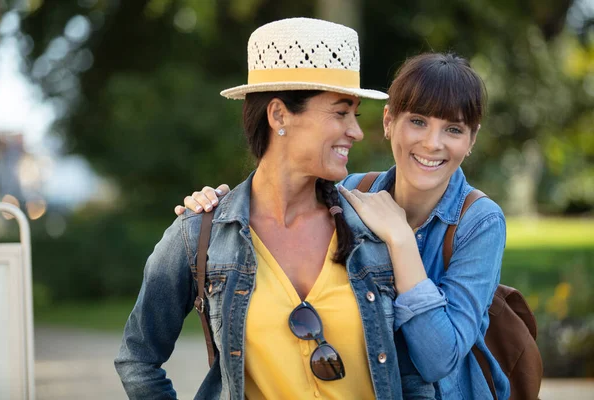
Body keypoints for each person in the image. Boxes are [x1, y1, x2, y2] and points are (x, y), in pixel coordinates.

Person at [115, 17, 436, 400]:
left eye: (356, 114)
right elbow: (138, 359)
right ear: (279, 115)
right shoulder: (200, 234)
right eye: (340, 112)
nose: (356, 131)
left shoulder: (371, 229)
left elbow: (413, 378)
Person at [177, 52, 512, 399]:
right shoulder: (350, 194)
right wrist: (216, 204)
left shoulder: (480, 222)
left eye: (453, 129)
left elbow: (438, 360)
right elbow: (277, 205)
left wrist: (400, 240)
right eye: (418, 121)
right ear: (388, 121)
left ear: (471, 139)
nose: (432, 143)